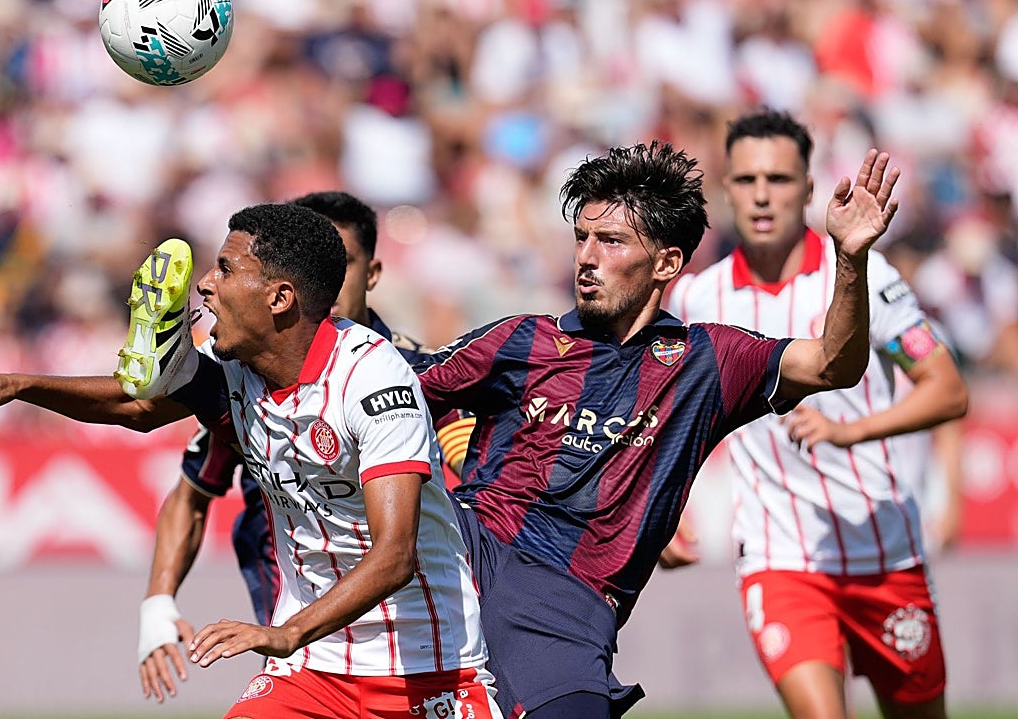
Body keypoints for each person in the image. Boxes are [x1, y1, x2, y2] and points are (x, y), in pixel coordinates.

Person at [0, 203, 501, 719]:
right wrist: (21, 383)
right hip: (314, 668)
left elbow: (396, 554)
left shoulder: (372, 379)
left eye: (225, 271)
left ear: (279, 298)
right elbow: (138, 403)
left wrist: (285, 633)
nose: (204, 285)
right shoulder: (236, 369)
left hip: (424, 667)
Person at [409, 139, 902, 719]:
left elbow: (832, 365)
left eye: (611, 240)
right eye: (582, 238)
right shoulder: (523, 340)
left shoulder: (708, 362)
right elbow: (388, 394)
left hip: (568, 607)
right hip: (466, 553)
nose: (586, 257)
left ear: (666, 263)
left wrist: (850, 258)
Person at [662, 109, 968, 719]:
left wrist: (850, 430)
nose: (761, 195)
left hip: (883, 548)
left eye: (778, 179)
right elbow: (663, 415)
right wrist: (662, 512)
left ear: (807, 187)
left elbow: (947, 390)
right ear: (726, 191)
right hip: (781, 558)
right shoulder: (697, 298)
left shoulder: (864, 274)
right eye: (746, 180)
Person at [131, 190, 475, 704]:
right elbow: (189, 488)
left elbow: (476, 490)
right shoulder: (247, 364)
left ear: (370, 273)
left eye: (344, 259)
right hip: (299, 628)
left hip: (413, 643)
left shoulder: (412, 375)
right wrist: (157, 604)